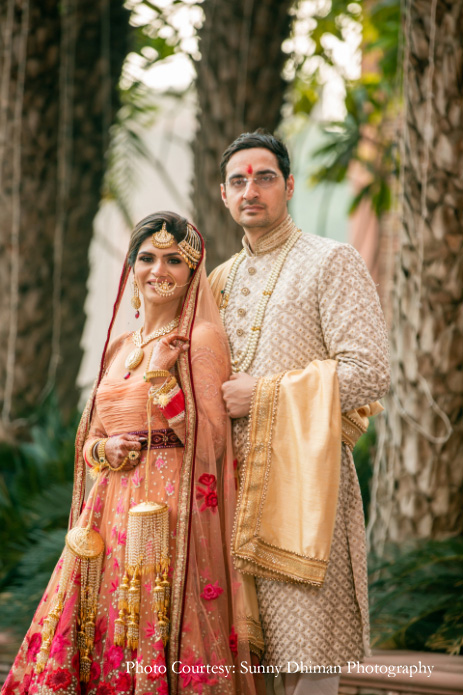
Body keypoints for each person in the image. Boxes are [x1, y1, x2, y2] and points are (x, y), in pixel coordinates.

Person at [2, 212, 264, 695]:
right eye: (146, 258)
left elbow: (211, 442)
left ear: (192, 275)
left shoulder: (198, 341)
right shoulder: (121, 346)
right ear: (131, 266)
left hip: (165, 514)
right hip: (107, 512)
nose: (158, 270)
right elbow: (91, 441)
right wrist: (106, 447)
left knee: (152, 617)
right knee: (96, 620)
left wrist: (165, 380)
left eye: (173, 261)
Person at [209, 131, 390, 695]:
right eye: (238, 180)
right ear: (223, 194)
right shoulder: (216, 281)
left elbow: (368, 371)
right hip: (230, 500)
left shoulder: (330, 260)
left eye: (264, 177)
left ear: (289, 185)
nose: (251, 190)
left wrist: (261, 393)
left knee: (307, 665)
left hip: (308, 492)